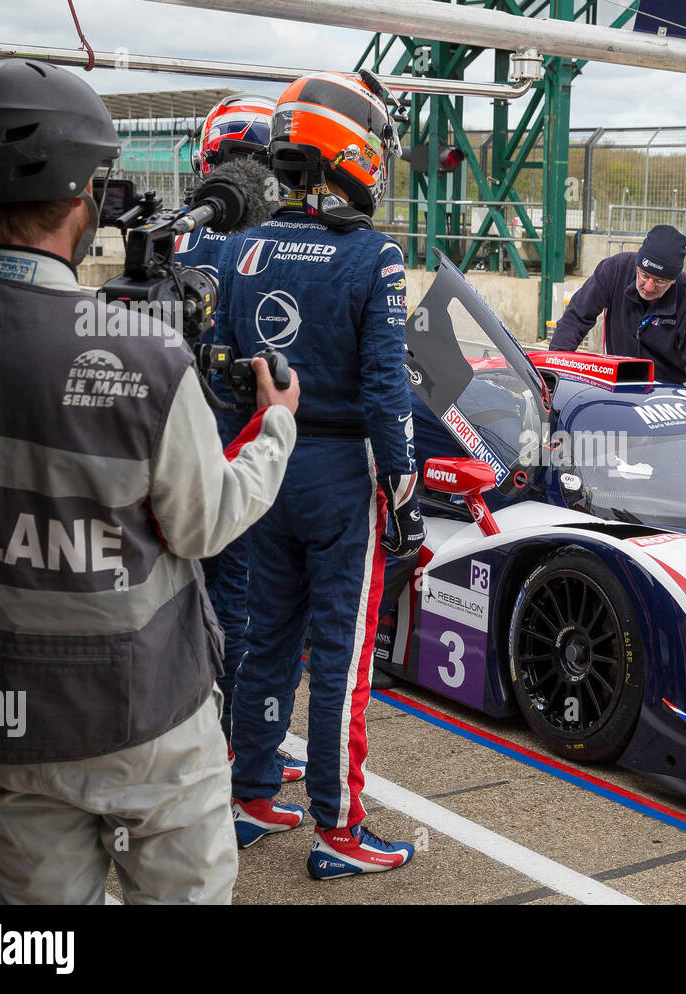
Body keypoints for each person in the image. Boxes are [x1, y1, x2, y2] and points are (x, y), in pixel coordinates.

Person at [0, 59, 299, 904]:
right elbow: (205, 523)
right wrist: (276, 428)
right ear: (83, 192)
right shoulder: (145, 354)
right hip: (138, 721)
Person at [219, 70, 423, 879]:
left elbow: (225, 368)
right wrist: (402, 488)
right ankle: (340, 830)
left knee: (264, 637)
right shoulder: (377, 257)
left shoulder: (244, 247)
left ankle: (252, 790)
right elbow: (388, 391)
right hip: (342, 474)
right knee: (340, 656)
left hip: (263, 462)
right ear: (353, 152)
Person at [175, 92, 307, 782]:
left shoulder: (179, 237)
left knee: (205, 593)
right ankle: (237, 739)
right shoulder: (261, 249)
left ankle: (232, 734)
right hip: (240, 435)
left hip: (183, 438)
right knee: (246, 600)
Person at [550, 224, 686, 392]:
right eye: (644, 275)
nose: (648, 287)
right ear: (637, 266)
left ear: (673, 281)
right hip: (616, 381)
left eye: (660, 282)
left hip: (667, 391)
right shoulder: (614, 270)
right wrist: (554, 370)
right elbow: (574, 319)